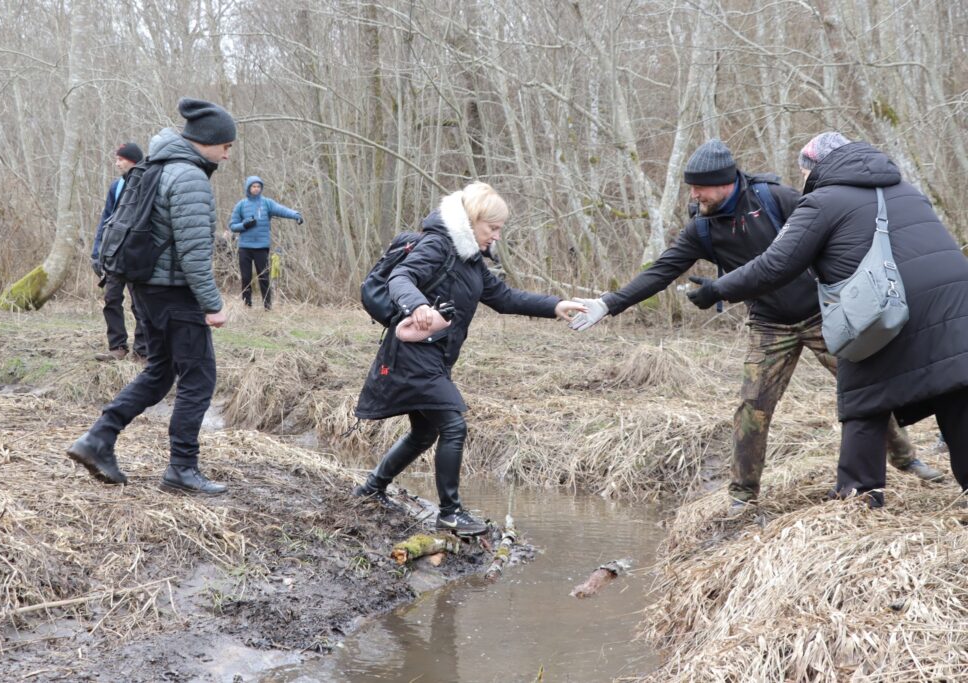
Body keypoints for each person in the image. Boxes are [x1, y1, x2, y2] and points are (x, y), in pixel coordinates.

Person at [570, 139, 940, 515]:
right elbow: (662, 271)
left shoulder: (775, 198)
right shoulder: (701, 229)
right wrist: (608, 304)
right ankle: (742, 496)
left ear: (726, 181)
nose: (694, 194)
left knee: (866, 392)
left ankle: (907, 460)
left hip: (823, 316)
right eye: (691, 187)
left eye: (701, 186)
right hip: (768, 325)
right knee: (753, 408)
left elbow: (834, 232)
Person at [686, 133, 968, 506]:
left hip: (889, 305)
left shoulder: (821, 202)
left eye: (803, 172)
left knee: (864, 397)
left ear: (815, 169)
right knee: (956, 392)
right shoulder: (905, 189)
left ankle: (859, 496)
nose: (801, 180)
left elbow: (775, 266)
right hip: (956, 302)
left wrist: (717, 289)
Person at [352, 182, 585, 535]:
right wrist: (417, 305)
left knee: (425, 431)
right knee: (453, 424)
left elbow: (505, 297)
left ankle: (371, 489)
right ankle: (450, 513)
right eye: (492, 229)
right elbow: (402, 276)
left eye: (500, 230)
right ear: (473, 220)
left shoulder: (470, 259)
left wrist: (555, 305)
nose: (496, 237)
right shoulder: (438, 245)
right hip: (414, 353)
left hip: (435, 356)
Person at [66, 98, 235, 495]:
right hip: (174, 294)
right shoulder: (189, 177)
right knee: (198, 378)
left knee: (159, 372)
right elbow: (194, 256)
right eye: (226, 145)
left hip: (144, 288)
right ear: (207, 141)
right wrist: (213, 305)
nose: (228, 153)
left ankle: (97, 439)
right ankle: (182, 469)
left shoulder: (156, 166)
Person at [91, 142, 148, 362]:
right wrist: (97, 252)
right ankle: (117, 347)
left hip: (135, 255)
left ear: (133, 161)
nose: (117, 164)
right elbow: (106, 220)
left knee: (140, 304)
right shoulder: (116, 186)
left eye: (120, 160)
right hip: (114, 254)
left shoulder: (146, 184)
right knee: (111, 299)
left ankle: (142, 351)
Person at [228, 176, 303, 309]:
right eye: (253, 186)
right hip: (245, 247)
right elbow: (233, 226)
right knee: (246, 278)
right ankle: (247, 304)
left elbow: (282, 210)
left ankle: (267, 306)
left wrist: (296, 215)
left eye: (258, 186)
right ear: (248, 188)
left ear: (261, 188)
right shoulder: (241, 205)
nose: (256, 189)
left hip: (261, 247)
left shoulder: (267, 203)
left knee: (264, 277)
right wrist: (244, 225)